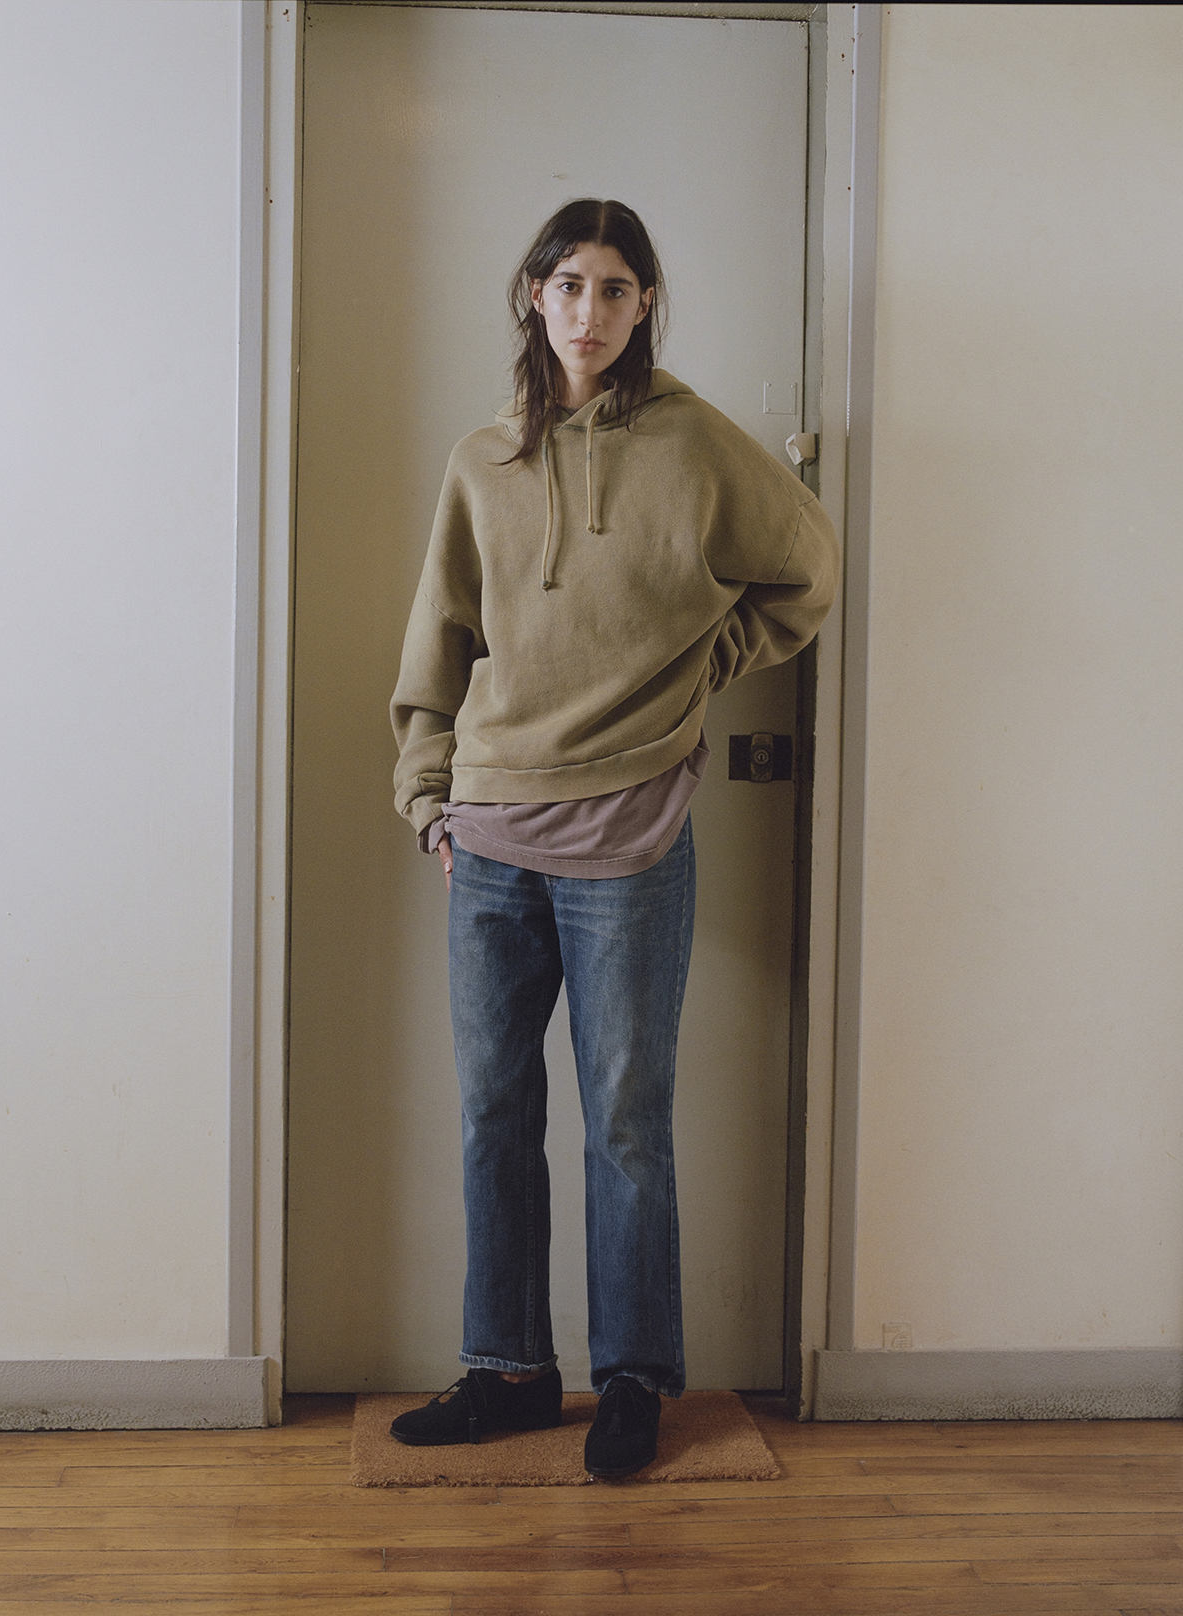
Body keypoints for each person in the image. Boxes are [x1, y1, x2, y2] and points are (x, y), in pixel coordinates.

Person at [388, 198, 837, 1477]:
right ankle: (508, 1369)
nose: (589, 311)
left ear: (644, 306)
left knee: (625, 1119)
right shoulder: (481, 460)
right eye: (569, 284)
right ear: (533, 294)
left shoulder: (693, 445)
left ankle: (633, 1377)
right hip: (489, 833)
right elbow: (439, 640)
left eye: (616, 288)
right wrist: (428, 795)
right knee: (492, 1110)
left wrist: (703, 670)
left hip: (630, 835)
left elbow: (805, 569)